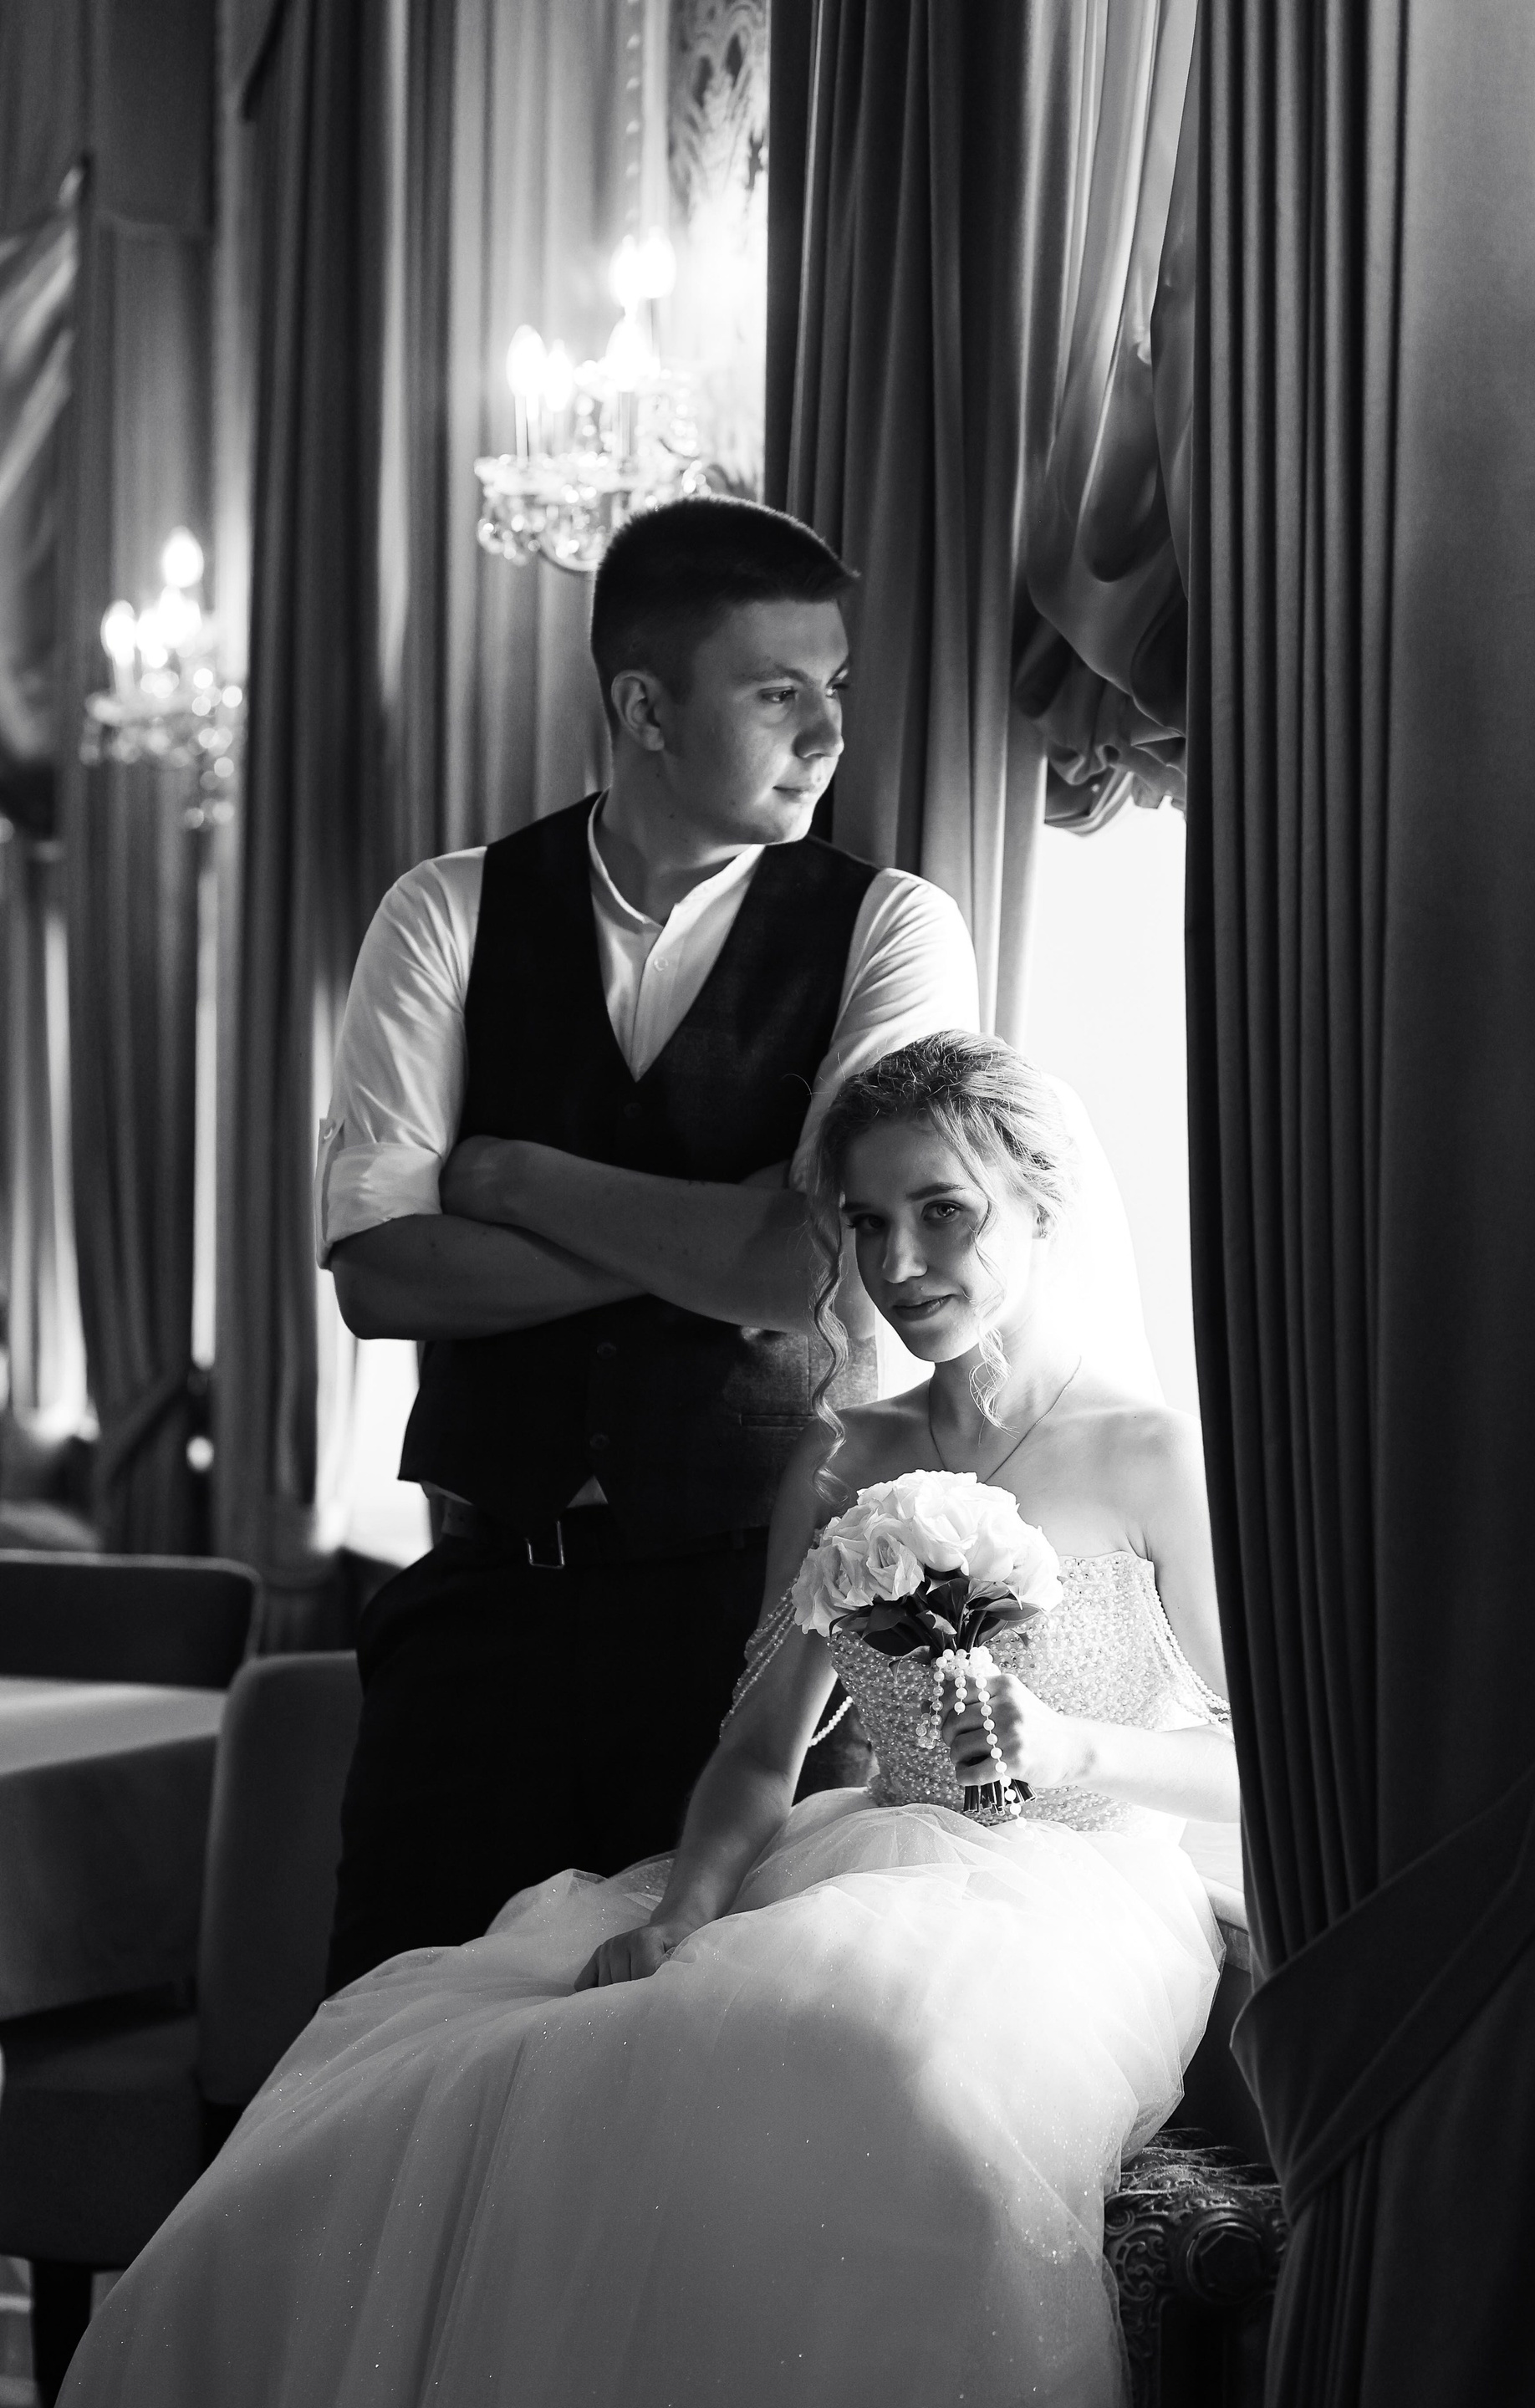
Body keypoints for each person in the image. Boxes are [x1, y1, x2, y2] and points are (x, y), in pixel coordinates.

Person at [61, 1033, 1235, 2408]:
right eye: (867, 1222)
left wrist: (1074, 1747)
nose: (900, 1261)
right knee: (466, 2080)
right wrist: (685, 1910)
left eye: (943, 1211)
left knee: (885, 2070)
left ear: (1043, 1206)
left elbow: (1263, 1763)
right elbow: (760, 1746)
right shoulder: (847, 1451)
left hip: (1076, 1904)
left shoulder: (1155, 1454)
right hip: (862, 1862)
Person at [315, 493, 1155, 1988]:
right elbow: (381, 1278)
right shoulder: (445, 913)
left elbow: (807, 1263)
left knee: (668, 2052)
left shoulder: (893, 926)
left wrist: (509, 1177)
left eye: (836, 688)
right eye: (779, 694)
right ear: (646, 708)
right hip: (478, 1606)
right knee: (387, 2027)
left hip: (739, 1628)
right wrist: (711, 1230)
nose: (828, 734)